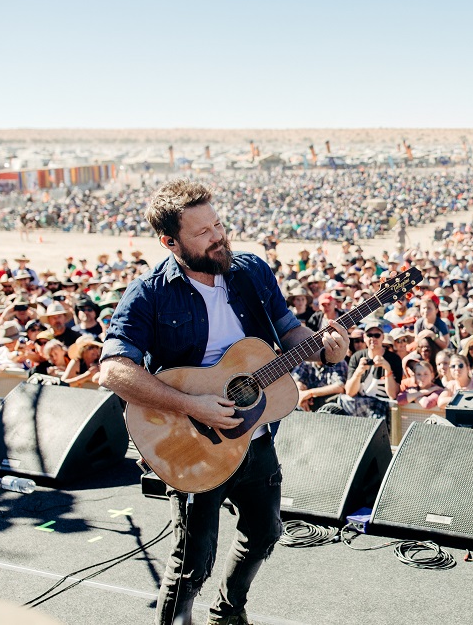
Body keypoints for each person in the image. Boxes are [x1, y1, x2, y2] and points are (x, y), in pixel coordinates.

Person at [99, 179, 349, 625]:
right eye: (203, 232)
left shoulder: (251, 270)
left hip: (255, 436)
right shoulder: (149, 294)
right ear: (169, 241)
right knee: (191, 565)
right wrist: (191, 406)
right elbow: (114, 370)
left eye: (218, 223)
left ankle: (228, 612)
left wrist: (321, 345)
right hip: (193, 446)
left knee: (265, 534)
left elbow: (289, 332)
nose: (218, 236)